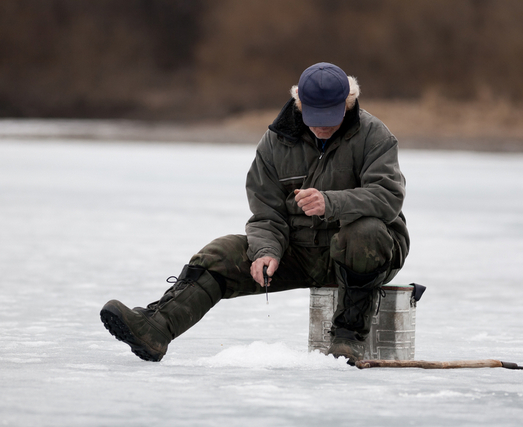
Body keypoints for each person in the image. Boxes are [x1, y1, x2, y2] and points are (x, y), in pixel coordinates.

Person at [100, 62, 410, 365]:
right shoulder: (275, 142)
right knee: (220, 253)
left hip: (367, 254)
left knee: (363, 233)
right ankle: (156, 328)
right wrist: (266, 250)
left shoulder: (375, 136)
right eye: (315, 116)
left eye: (332, 116)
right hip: (300, 251)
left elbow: (388, 197)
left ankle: (348, 338)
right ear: (299, 105)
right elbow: (265, 213)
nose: (323, 125)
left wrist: (332, 203)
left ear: (349, 103)